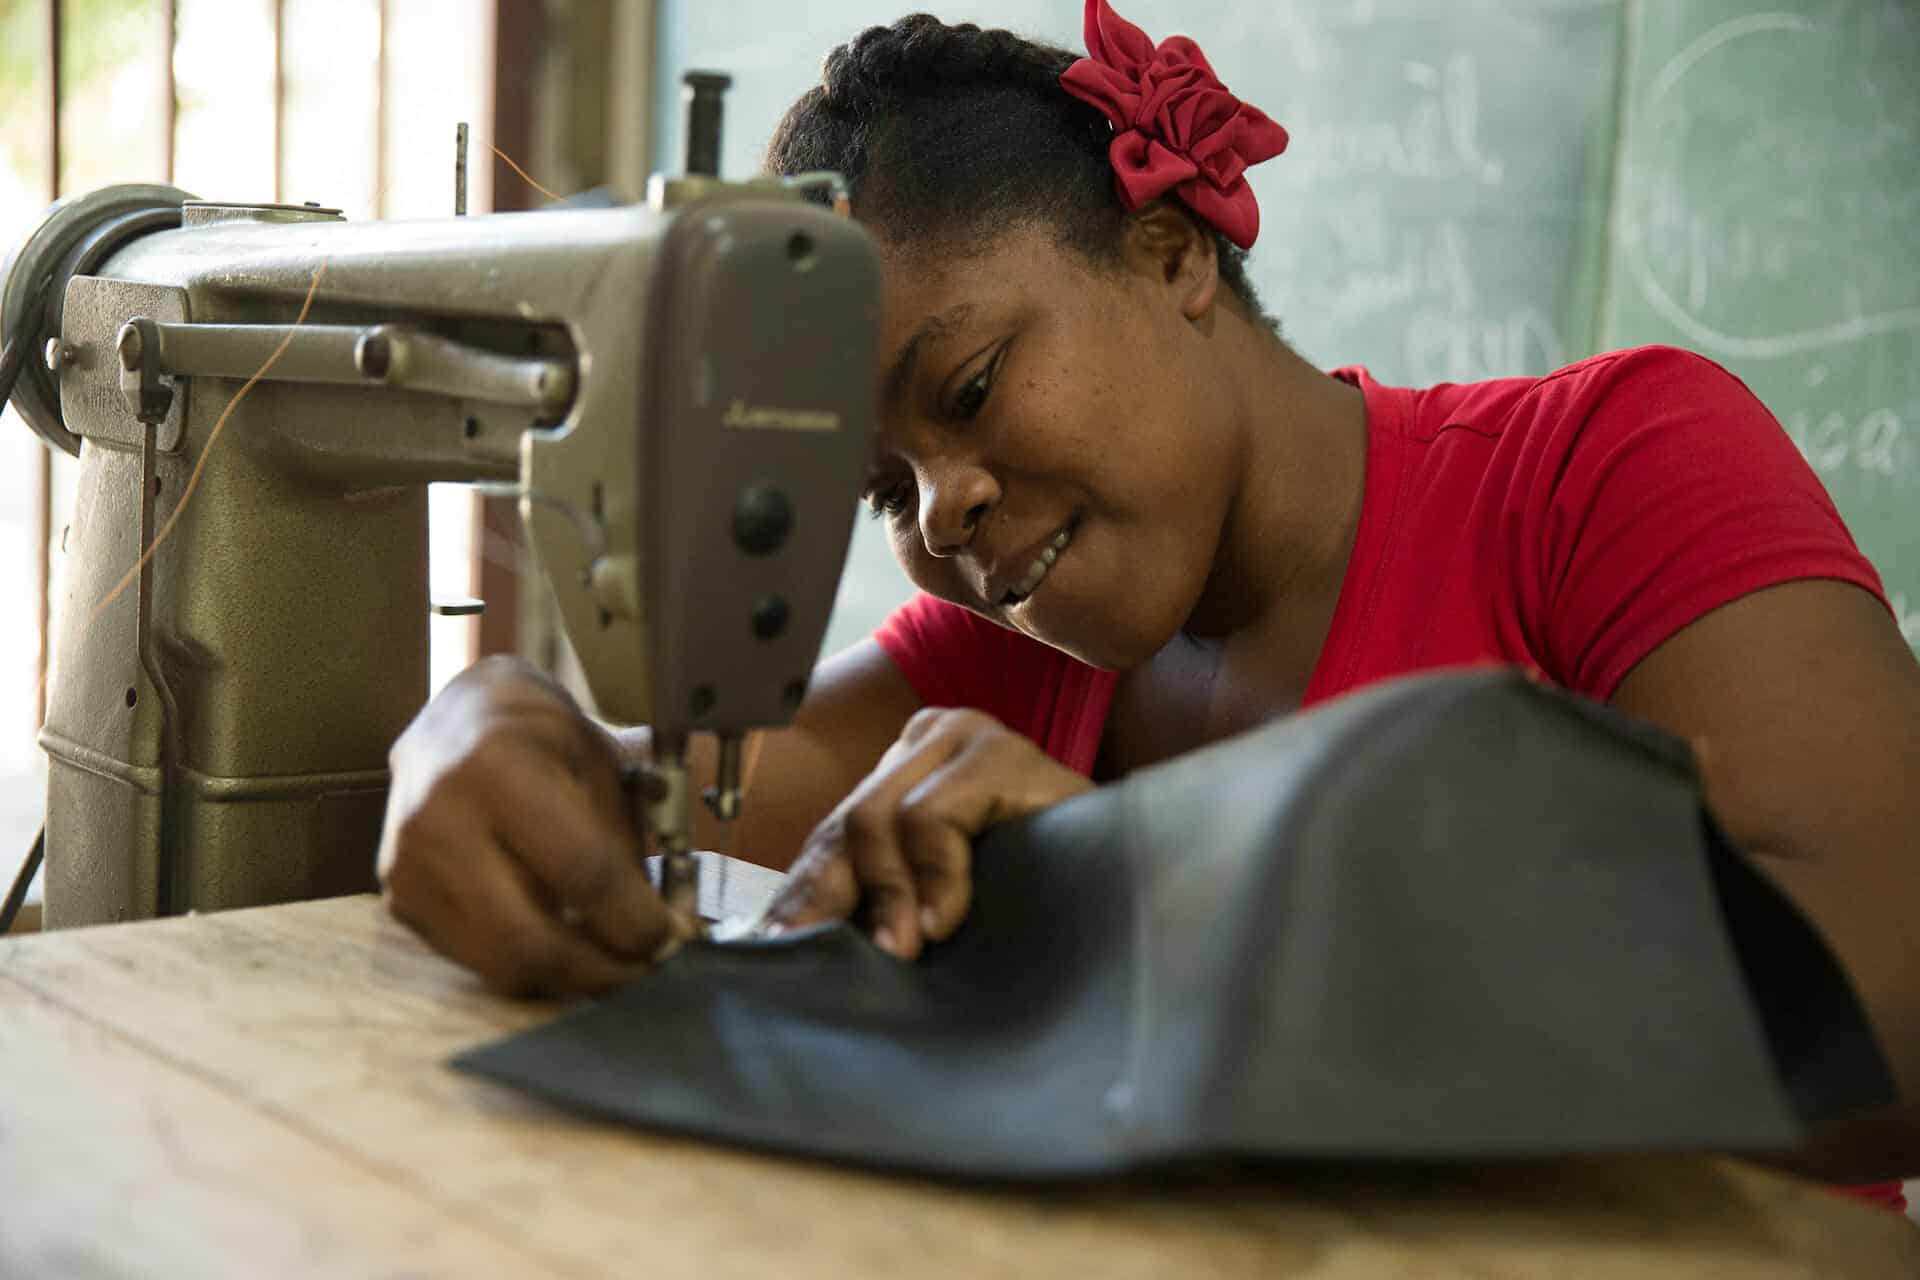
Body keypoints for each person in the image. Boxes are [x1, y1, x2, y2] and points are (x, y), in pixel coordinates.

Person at [377, 2, 1919, 1188]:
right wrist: (477, 725)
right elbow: (647, 810)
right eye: (879, 491)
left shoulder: (1599, 469)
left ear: (1171, 250)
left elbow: (1889, 1010)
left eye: (970, 388)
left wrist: (1156, 891)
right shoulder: (1001, 670)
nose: (945, 507)